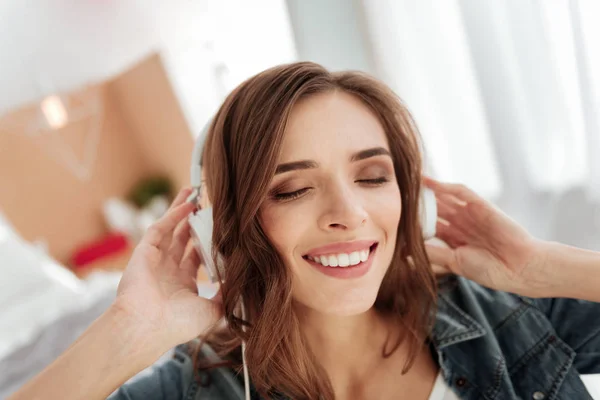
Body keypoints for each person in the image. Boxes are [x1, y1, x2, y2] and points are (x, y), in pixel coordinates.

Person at [10, 62, 600, 400]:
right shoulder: (197, 391)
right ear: (221, 226)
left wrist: (542, 270)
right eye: (291, 188)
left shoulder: (505, 313)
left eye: (373, 176)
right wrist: (128, 333)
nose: (349, 212)